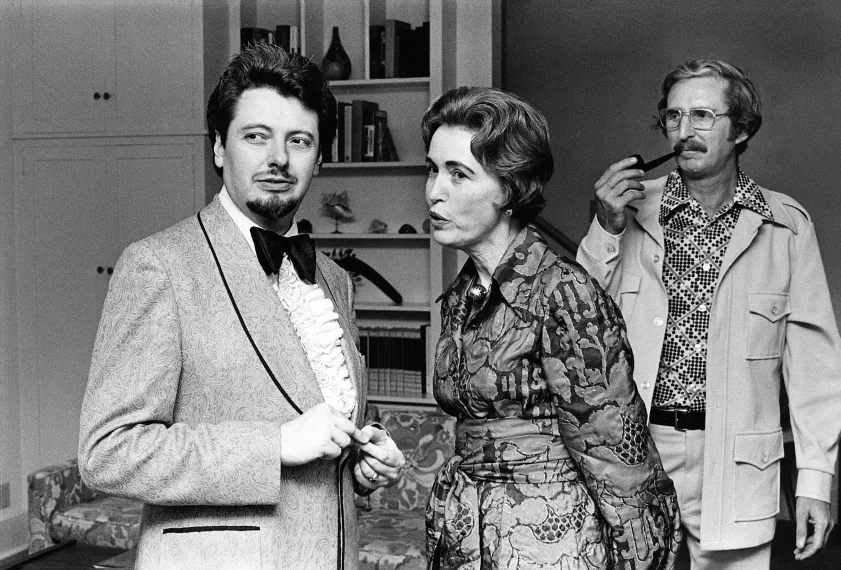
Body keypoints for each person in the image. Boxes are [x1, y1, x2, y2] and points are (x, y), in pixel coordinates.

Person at [78, 43, 404, 570]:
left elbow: (320, 420)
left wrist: (364, 460)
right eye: (256, 136)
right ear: (218, 148)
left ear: (319, 159)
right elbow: (108, 452)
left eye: (299, 140)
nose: (279, 158)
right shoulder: (158, 265)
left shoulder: (336, 281)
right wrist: (272, 445)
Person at [577, 59, 841, 569]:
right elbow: (579, 324)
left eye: (702, 115)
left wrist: (815, 481)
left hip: (736, 458)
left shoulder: (787, 227)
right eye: (674, 116)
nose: (684, 130)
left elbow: (815, 368)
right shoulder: (626, 210)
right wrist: (605, 228)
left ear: (741, 130)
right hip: (634, 448)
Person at [422, 86, 681, 570]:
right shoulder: (462, 296)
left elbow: (618, 456)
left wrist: (644, 559)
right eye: (432, 170)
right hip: (468, 535)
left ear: (509, 189)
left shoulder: (564, 292)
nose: (434, 190)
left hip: (550, 542)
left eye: (458, 174)